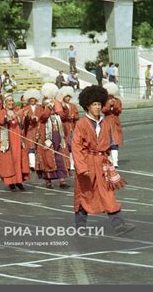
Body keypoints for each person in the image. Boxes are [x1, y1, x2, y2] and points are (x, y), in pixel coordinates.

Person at [72, 85, 135, 236]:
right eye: (94, 104)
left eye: (99, 104)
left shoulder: (105, 122)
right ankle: (80, 226)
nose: (97, 107)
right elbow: (76, 147)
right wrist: (82, 167)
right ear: (87, 106)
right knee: (84, 194)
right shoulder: (81, 124)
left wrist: (110, 160)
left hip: (102, 163)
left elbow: (108, 143)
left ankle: (119, 226)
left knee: (108, 194)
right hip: (87, 163)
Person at [36, 84, 70, 189]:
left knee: (60, 156)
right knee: (48, 157)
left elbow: (64, 117)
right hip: (47, 136)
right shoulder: (41, 107)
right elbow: (42, 117)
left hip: (58, 135)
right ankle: (48, 180)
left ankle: (62, 179)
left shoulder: (57, 109)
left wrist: (64, 107)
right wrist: (49, 107)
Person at [0, 94, 30, 191]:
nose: (11, 103)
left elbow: (22, 125)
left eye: (12, 101)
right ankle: (11, 182)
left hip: (18, 139)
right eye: (8, 101)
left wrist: (26, 117)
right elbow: (1, 121)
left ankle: (19, 181)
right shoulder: (1, 112)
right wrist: (8, 118)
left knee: (19, 160)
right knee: (9, 161)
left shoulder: (17, 111)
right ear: (4, 103)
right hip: (8, 140)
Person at [55, 86, 79, 171]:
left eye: (69, 96)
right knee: (65, 146)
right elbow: (61, 116)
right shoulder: (60, 106)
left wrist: (74, 116)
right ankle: (67, 163)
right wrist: (68, 116)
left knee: (73, 147)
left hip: (73, 127)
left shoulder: (73, 105)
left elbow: (77, 116)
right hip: (64, 128)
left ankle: (73, 163)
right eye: (66, 96)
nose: (68, 98)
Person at [102, 83, 123, 168]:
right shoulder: (104, 101)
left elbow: (119, 111)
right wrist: (108, 104)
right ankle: (109, 159)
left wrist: (114, 105)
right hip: (106, 122)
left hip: (115, 122)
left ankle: (115, 161)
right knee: (107, 141)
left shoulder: (117, 100)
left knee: (115, 141)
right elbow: (103, 110)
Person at [22, 89, 43, 171]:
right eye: (31, 99)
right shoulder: (26, 108)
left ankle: (39, 163)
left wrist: (38, 119)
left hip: (38, 129)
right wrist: (28, 117)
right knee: (31, 147)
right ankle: (32, 164)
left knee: (39, 146)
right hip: (30, 130)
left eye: (34, 99)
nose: (32, 100)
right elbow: (24, 120)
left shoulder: (40, 108)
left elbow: (42, 117)